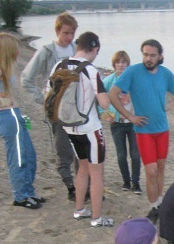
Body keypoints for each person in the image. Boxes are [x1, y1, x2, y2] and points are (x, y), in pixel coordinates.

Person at [109, 39, 174, 224]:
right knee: (151, 171)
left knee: (160, 168)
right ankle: (153, 207)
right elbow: (112, 94)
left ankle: (160, 203)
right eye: (145, 54)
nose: (148, 59)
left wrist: (171, 104)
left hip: (163, 129)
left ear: (160, 56)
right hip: (144, 131)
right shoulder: (133, 72)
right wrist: (129, 116)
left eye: (152, 55)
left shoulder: (165, 73)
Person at [48, 32, 113, 227]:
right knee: (97, 173)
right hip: (90, 128)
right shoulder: (91, 70)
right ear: (94, 49)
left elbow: (49, 93)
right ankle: (97, 218)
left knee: (82, 169)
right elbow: (104, 103)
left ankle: (79, 210)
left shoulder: (59, 65)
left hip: (70, 127)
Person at [21, 12, 79, 201]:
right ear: (57, 31)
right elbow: (26, 78)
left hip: (77, 110)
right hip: (57, 111)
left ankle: (82, 185)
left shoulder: (76, 49)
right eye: (66, 33)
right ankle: (70, 186)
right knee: (64, 150)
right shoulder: (46, 51)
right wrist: (44, 99)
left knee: (81, 150)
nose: (69, 37)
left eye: (72, 33)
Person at [0, 33, 45, 209]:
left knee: (28, 154)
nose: (19, 51)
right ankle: (20, 196)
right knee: (17, 156)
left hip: (14, 113)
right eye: (16, 48)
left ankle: (28, 191)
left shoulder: (7, 68)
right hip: (6, 116)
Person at [100, 51, 142, 194]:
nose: (121, 65)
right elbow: (98, 99)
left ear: (128, 64)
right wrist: (106, 115)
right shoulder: (109, 81)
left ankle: (136, 183)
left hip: (133, 122)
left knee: (135, 154)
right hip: (117, 123)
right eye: (118, 62)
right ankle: (126, 181)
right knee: (121, 155)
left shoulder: (134, 80)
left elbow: (143, 97)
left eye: (124, 62)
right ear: (114, 64)